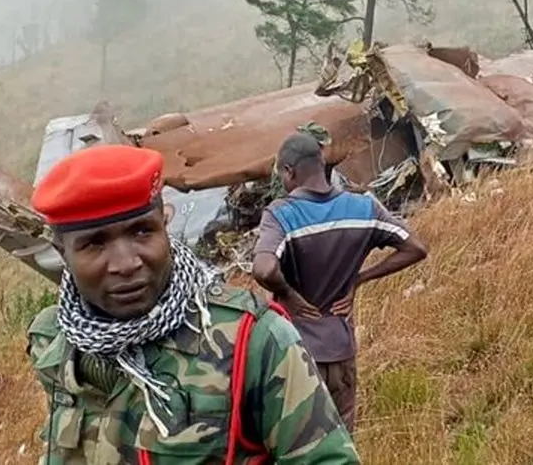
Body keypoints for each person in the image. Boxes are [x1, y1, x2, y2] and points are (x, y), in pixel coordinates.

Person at [27, 142, 360, 464]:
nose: (126, 263)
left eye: (142, 232)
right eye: (94, 244)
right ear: (62, 254)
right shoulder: (55, 340)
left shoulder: (253, 340)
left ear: (165, 225)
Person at [252, 132, 429, 432]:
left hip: (295, 352)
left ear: (288, 171)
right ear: (322, 164)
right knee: (342, 442)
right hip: (341, 347)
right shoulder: (363, 208)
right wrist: (358, 279)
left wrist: (288, 294)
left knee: (297, 444)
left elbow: (265, 269)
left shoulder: (282, 214)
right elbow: (416, 248)